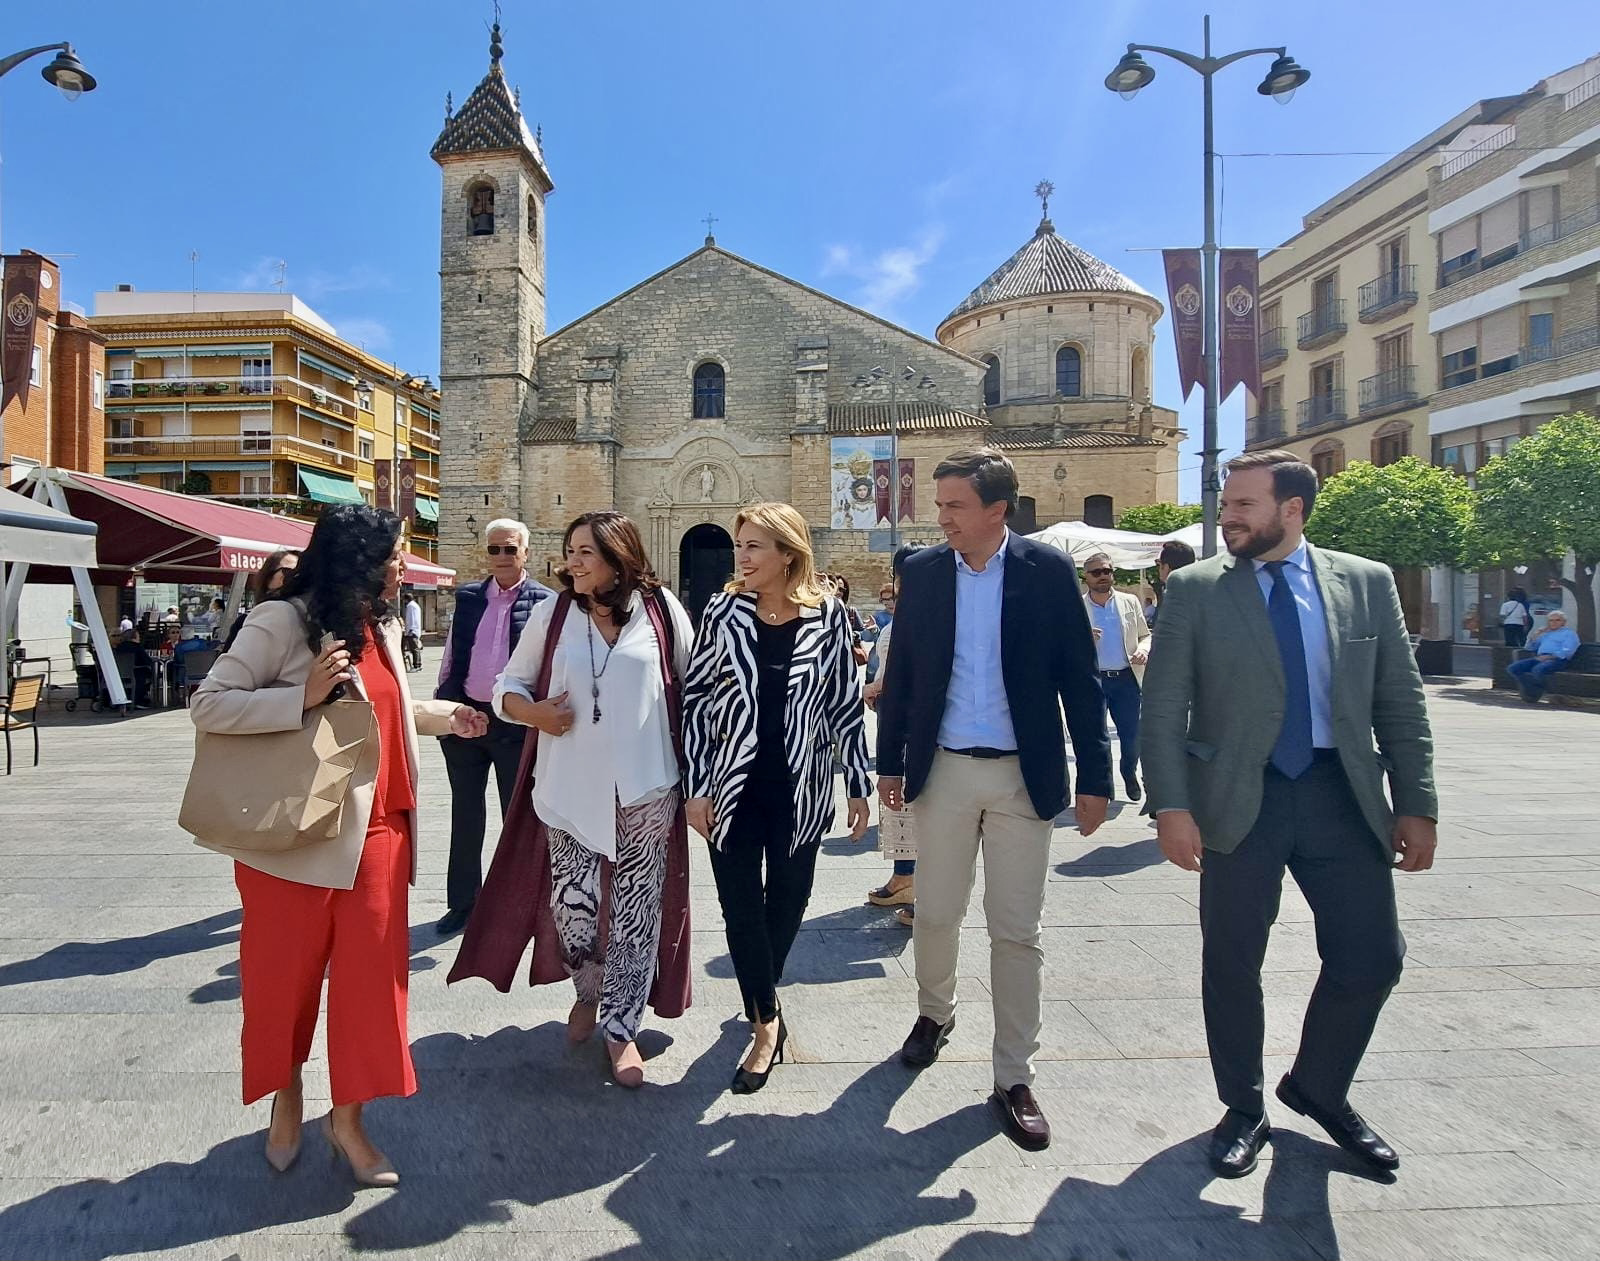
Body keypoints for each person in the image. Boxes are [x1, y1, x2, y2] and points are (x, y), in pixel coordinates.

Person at [1141, 449, 1437, 1180]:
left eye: (1243, 504)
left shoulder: (1366, 584)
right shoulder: (1198, 590)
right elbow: (1162, 707)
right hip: (1240, 799)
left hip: (1342, 795)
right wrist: (1171, 804)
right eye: (1225, 502)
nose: (1227, 516)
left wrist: (1418, 802)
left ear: (1292, 509)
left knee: (1373, 956)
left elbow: (1400, 699)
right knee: (1233, 959)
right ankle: (1243, 1106)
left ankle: (1318, 1085)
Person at [189, 504, 488, 1186]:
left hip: (380, 832)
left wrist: (446, 718)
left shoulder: (379, 624)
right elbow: (211, 701)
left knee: (371, 991)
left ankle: (348, 1121)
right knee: (281, 984)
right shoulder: (281, 620)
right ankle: (286, 1092)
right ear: (359, 559)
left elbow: (379, 710)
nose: (402, 566)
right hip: (296, 837)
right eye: (394, 554)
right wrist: (300, 695)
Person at [877, 449, 1110, 1151]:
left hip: (1021, 778)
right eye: (940, 504)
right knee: (937, 912)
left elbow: (1080, 676)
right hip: (942, 772)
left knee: (1015, 929)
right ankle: (934, 1013)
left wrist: (1096, 776)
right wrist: (888, 763)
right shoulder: (920, 572)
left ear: (996, 511)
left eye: (953, 505)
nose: (939, 516)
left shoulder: (1047, 571)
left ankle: (1014, 1074)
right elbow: (906, 673)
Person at [468, 512, 694, 1088]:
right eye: (570, 551)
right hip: (567, 787)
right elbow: (506, 688)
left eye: (586, 553)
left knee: (636, 913)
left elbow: (692, 692)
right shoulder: (555, 612)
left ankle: (622, 1027)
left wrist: (703, 785)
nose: (573, 562)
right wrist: (535, 713)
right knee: (576, 910)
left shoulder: (663, 611)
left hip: (647, 787)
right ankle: (587, 990)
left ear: (620, 556)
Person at [684, 502, 871, 1093]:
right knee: (740, 909)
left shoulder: (831, 618)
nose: (741, 555)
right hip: (731, 787)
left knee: (786, 906)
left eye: (755, 545)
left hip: (802, 787)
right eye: (740, 544)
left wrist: (859, 781)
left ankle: (759, 996)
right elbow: (695, 701)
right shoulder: (722, 611)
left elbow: (844, 705)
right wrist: (695, 788)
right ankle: (766, 1024)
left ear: (788, 554)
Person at [433, 519, 552, 935]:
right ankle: (463, 903)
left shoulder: (545, 602)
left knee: (516, 818)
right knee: (465, 814)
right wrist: (445, 708)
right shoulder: (468, 597)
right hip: (466, 718)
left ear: (526, 553)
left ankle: (522, 906)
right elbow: (451, 655)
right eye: (494, 549)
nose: (502, 557)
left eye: (510, 549)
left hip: (514, 723)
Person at [864, 543, 924, 927]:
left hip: (907, 722)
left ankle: (917, 886)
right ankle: (905, 877)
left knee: (906, 802)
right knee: (901, 806)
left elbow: (906, 673)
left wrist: (874, 687)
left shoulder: (919, 615)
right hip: (901, 717)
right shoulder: (915, 611)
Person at [1081, 550, 1153, 802]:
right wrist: (1083, 640)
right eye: (1097, 572)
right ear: (1086, 576)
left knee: (1132, 736)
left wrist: (1143, 650)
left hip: (1126, 679)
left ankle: (1129, 772)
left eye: (1107, 571)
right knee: (1096, 736)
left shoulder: (1129, 601)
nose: (1103, 576)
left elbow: (1146, 634)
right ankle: (1104, 784)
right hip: (1094, 680)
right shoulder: (1077, 606)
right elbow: (1062, 644)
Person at [224, 548, 300, 653]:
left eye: (299, 573)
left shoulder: (306, 622)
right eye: (288, 571)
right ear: (268, 578)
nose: (295, 577)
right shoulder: (246, 622)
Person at [1507, 609, 1579, 702]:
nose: (1554, 623)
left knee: (1537, 669)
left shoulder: (1569, 634)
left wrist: (1550, 656)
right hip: (1540, 658)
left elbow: (1568, 651)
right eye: (1551, 620)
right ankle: (1535, 689)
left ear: (1563, 622)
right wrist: (1536, 635)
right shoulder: (1546, 634)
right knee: (1513, 668)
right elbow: (1529, 648)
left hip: (1557, 659)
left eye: (1557, 620)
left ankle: (1533, 692)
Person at [1147, 539, 1197, 629]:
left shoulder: (1174, 595)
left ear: (1166, 567)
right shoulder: (1201, 593)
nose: (1158, 569)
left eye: (1159, 564)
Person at [402, 589, 424, 671]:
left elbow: (411, 619)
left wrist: (409, 630)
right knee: (414, 648)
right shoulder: (415, 605)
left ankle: (417, 665)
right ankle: (417, 664)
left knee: (414, 648)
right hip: (415, 629)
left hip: (412, 630)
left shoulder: (410, 606)